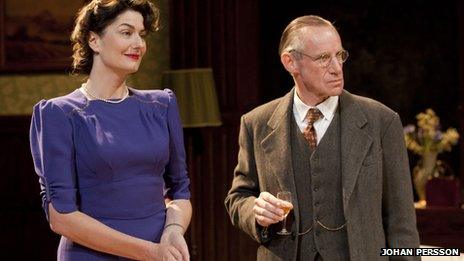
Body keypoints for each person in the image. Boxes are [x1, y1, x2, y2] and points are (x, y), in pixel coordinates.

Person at [225, 15, 420, 260]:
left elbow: (402, 224)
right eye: (323, 58)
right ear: (290, 62)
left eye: (339, 55)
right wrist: (255, 211)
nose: (337, 68)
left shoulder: (381, 122)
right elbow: (238, 198)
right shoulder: (257, 123)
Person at [29, 1, 191, 260]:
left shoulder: (162, 105)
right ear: (94, 40)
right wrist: (150, 252)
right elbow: (61, 218)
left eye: (142, 34)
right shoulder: (59, 114)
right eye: (127, 32)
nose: (138, 43)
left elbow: (180, 189)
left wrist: (173, 229)